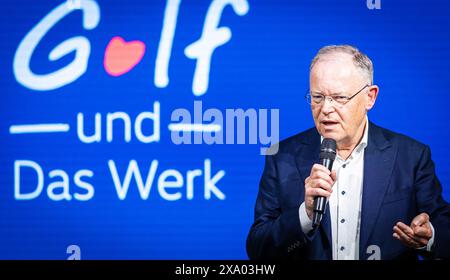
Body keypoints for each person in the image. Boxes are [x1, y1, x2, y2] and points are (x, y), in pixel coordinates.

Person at [246, 45, 450, 260]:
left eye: (339, 97)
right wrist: (304, 216)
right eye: (317, 97)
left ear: (370, 97)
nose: (325, 108)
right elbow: (258, 249)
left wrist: (430, 237)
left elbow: (443, 229)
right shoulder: (282, 157)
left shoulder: (411, 156)